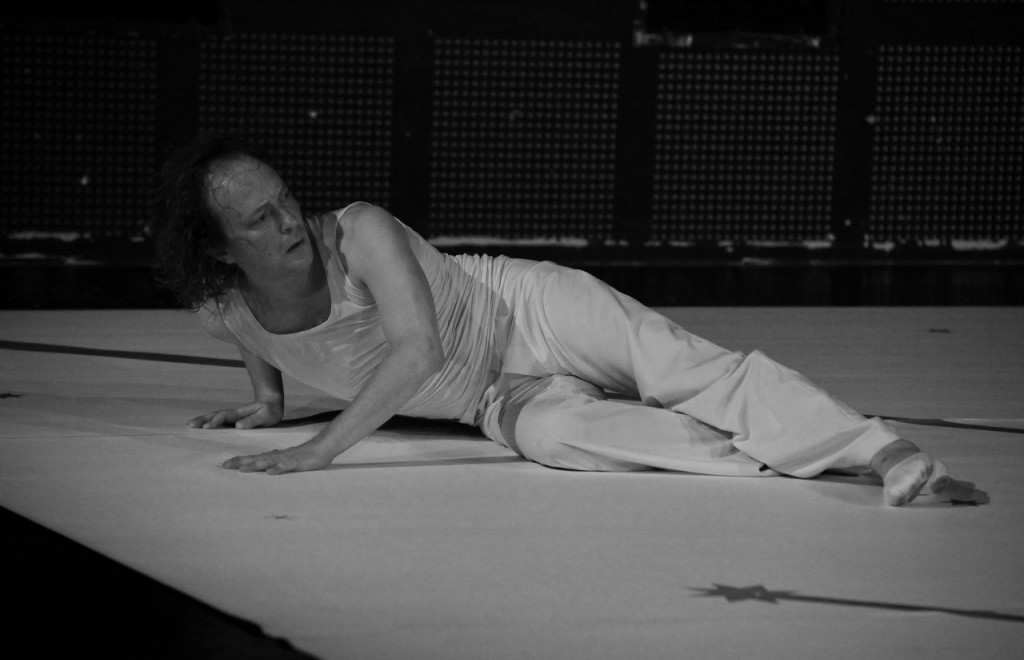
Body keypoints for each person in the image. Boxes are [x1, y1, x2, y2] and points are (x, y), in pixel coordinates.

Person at [152, 133, 951, 506]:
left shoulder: (358, 231)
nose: (288, 221)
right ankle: (785, 453)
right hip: (492, 401)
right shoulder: (221, 304)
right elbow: (251, 331)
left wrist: (318, 447)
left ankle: (874, 447)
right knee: (566, 441)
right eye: (259, 219)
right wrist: (267, 399)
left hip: (526, 311)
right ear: (220, 251)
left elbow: (420, 349)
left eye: (285, 198)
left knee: (677, 367)